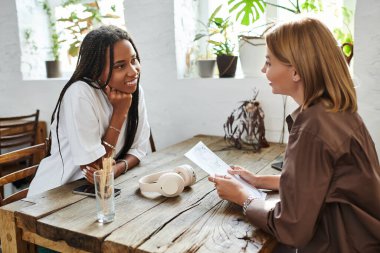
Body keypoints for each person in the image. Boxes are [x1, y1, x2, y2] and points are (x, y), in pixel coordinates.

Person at [208, 17, 380, 253]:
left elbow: (293, 229)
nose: (263, 70)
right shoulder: (336, 112)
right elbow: (323, 183)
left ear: (296, 71)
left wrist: (243, 198)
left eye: (269, 62)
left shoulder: (313, 126)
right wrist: (259, 181)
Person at [28, 25, 151, 196]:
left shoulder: (134, 91)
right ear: (96, 70)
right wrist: (119, 113)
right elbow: (96, 168)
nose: (133, 71)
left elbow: (139, 149)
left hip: (92, 195)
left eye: (133, 60)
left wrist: (117, 169)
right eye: (120, 66)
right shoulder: (80, 93)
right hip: (56, 194)